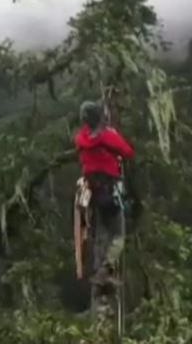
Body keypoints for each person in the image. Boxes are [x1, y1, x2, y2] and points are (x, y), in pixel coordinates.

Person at [74, 100, 134, 290]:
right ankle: (105, 271)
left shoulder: (80, 137)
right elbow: (128, 153)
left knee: (99, 229)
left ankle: (97, 266)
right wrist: (113, 134)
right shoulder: (107, 136)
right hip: (110, 189)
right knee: (118, 235)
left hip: (90, 191)